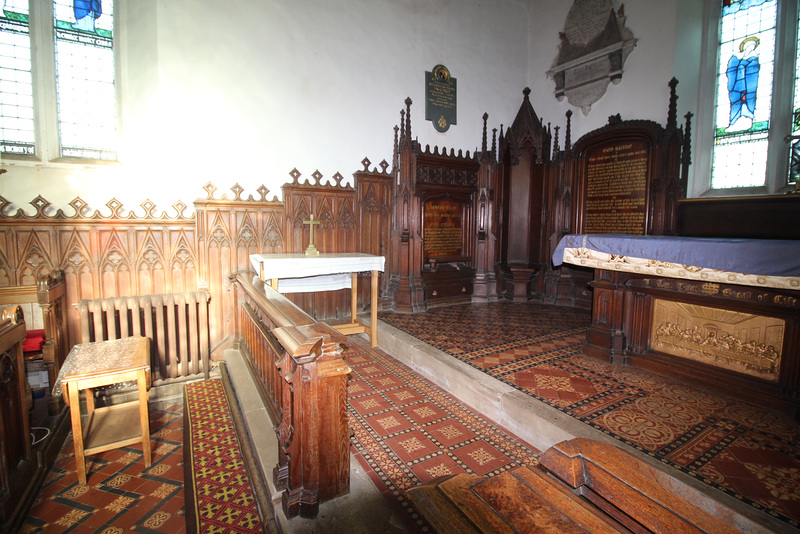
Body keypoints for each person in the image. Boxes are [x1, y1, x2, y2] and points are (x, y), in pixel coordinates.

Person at [726, 36, 760, 132]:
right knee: (736, 103)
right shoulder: (737, 57)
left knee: (748, 102)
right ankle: (734, 123)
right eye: (750, 46)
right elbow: (731, 71)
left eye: (753, 46)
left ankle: (748, 121)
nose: (751, 48)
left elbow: (754, 71)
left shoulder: (753, 57)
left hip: (748, 87)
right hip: (737, 86)